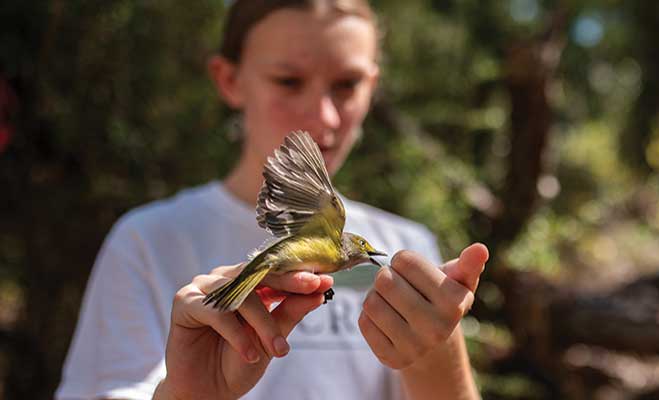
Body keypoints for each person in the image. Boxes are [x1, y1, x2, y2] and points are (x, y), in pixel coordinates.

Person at [54, 1, 489, 399]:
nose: (324, 116)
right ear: (229, 79)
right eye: (288, 81)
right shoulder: (147, 242)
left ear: (372, 86)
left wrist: (438, 352)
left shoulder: (408, 245)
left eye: (347, 84)